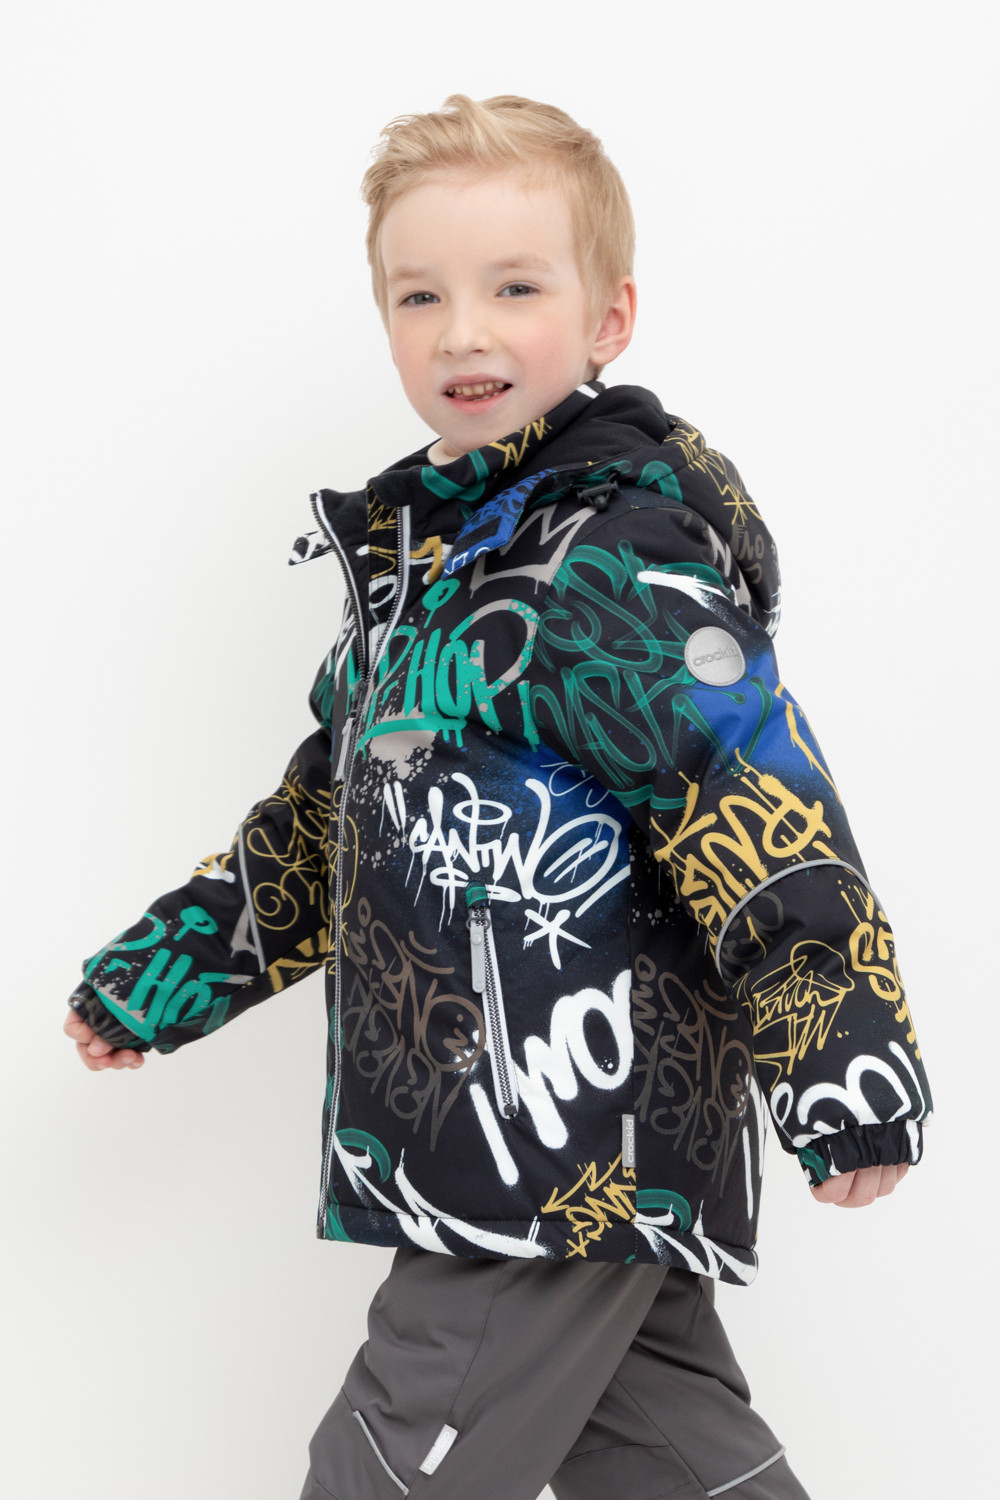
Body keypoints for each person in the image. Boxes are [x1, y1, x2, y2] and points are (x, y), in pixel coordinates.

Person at [63, 94, 932, 1500]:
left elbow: (752, 798)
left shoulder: (618, 560)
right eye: (422, 295)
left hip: (555, 1132)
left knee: (388, 1463)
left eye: (515, 288)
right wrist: (167, 974)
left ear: (609, 318)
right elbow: (323, 827)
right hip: (500, 1137)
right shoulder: (426, 580)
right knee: (664, 1459)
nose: (463, 330)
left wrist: (839, 1054)